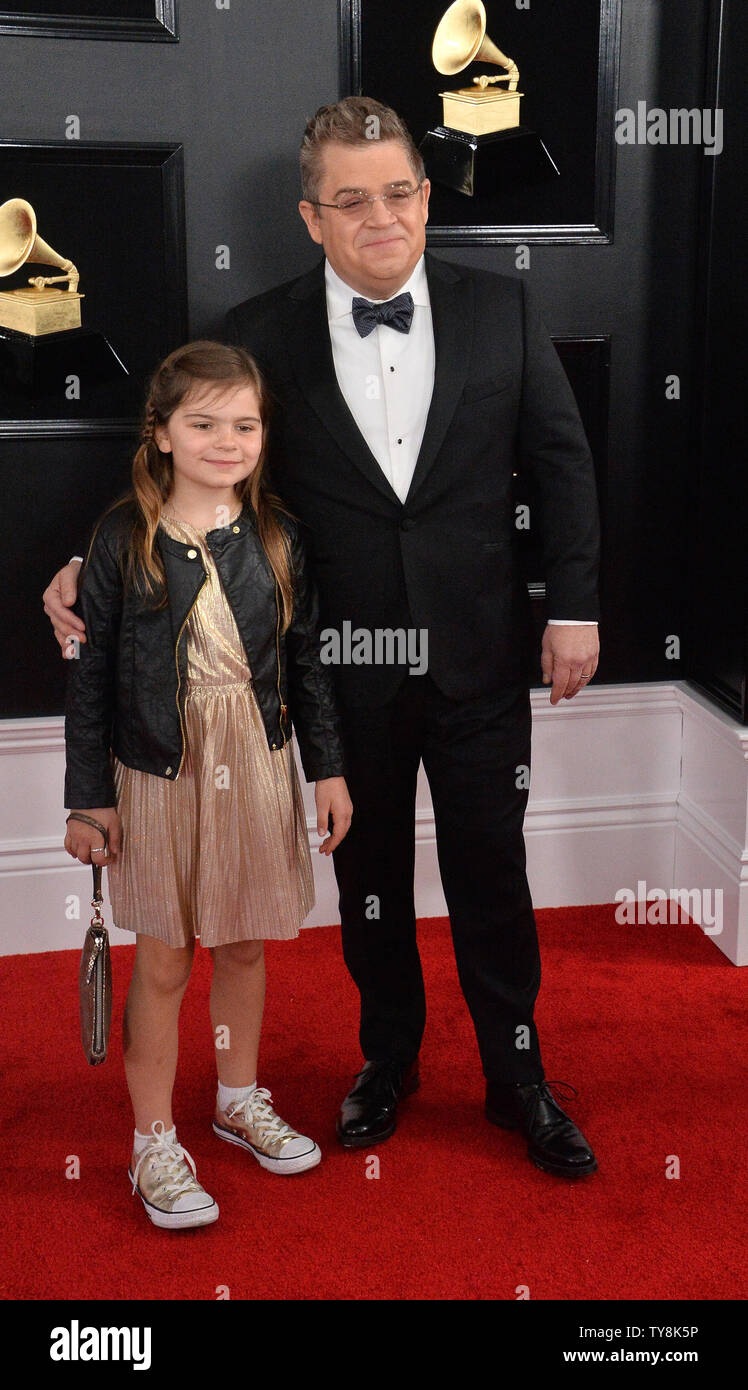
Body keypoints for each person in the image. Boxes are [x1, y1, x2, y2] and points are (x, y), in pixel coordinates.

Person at [47, 96, 601, 1180]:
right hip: (336, 665)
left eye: (399, 193)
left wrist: (574, 608)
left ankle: (517, 1075)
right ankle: (385, 1062)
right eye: (352, 201)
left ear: (426, 197)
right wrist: (87, 560)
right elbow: (191, 462)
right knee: (373, 879)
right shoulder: (257, 332)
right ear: (312, 218)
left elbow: (565, 465)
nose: (381, 216)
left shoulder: (506, 309)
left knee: (494, 867)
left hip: (479, 648)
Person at [62, 340, 352, 1229]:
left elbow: (306, 666)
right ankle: (153, 1141)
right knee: (166, 957)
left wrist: (328, 769)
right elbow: (91, 675)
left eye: (244, 424)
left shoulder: (280, 537)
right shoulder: (122, 539)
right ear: (160, 435)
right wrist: (88, 795)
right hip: (158, 769)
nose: (227, 441)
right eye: (203, 423)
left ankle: (236, 1097)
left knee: (245, 944)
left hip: (257, 763)